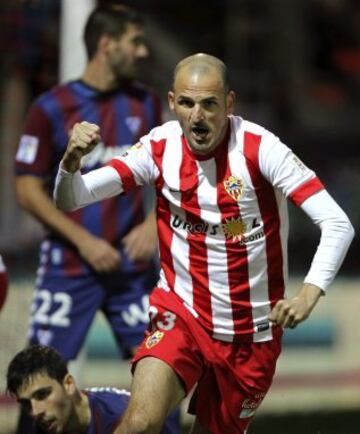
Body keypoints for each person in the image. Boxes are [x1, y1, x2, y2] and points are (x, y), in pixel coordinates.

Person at [54, 53, 354, 434]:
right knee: (140, 423)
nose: (198, 116)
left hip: (251, 334)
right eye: (188, 103)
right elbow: (71, 198)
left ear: (229, 104)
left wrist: (308, 293)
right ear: (172, 103)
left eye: (210, 104)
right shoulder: (159, 148)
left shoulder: (261, 149)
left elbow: (337, 223)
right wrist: (70, 162)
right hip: (181, 313)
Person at [14, 4, 180, 433]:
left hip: (131, 273)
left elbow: (172, 171)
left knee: (163, 375)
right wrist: (83, 240)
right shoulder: (51, 107)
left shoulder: (144, 103)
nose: (143, 51)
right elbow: (27, 187)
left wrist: (151, 225)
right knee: (38, 384)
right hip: (68, 270)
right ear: (107, 46)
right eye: (134, 41)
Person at [6, 344, 175, 434]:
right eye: (26, 403)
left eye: (42, 395)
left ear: (69, 384)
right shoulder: (45, 425)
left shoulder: (121, 417)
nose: (35, 412)